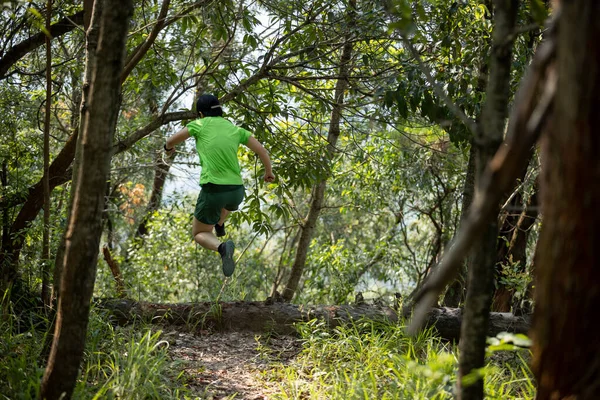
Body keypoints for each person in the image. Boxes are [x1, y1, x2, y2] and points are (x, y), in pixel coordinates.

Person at [164, 94, 274, 277]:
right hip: (237, 191)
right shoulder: (235, 129)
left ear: (200, 113)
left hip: (214, 189)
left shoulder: (198, 125)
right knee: (227, 203)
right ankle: (220, 223)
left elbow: (170, 141)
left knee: (199, 233)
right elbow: (261, 150)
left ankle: (222, 247)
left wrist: (168, 149)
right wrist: (268, 172)